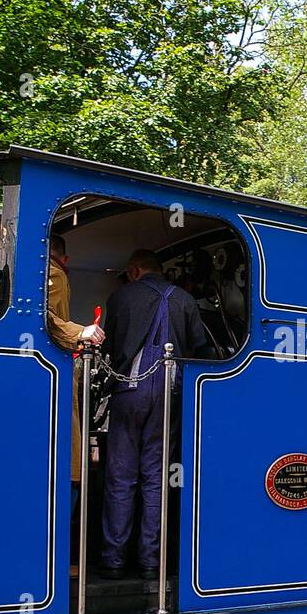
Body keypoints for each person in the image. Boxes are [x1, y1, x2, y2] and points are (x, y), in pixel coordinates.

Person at [100, 248, 208, 579]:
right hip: (169, 393)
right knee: (156, 477)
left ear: (134, 271)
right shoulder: (186, 300)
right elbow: (200, 348)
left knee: (120, 476)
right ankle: (151, 561)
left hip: (129, 390)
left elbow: (110, 346)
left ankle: (113, 560)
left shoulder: (120, 297)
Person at [45, 234, 105, 519]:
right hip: (58, 372)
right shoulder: (55, 273)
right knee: (71, 461)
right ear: (65, 258)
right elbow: (42, 314)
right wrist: (79, 332)